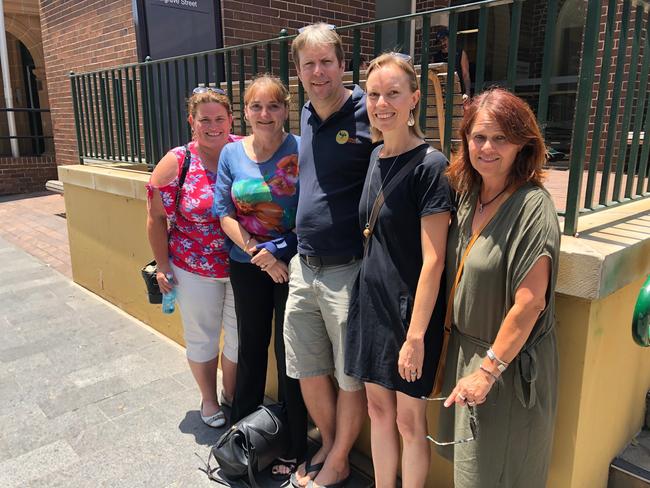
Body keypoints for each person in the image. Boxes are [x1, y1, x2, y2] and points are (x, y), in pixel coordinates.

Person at [438, 87, 560, 487]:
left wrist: (487, 372)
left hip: (502, 367)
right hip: (466, 356)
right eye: (478, 137)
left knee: (494, 475)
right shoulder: (471, 195)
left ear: (522, 144)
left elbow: (529, 304)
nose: (487, 147)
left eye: (500, 138)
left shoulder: (532, 207)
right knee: (470, 471)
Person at [344, 53, 453, 488]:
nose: (381, 103)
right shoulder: (374, 157)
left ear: (413, 99)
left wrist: (416, 337)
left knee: (410, 422)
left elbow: (434, 260)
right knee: (377, 412)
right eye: (373, 94)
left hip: (410, 314)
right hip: (370, 306)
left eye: (392, 93)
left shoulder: (431, 165)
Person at [284, 23, 376, 488]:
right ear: (298, 71)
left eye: (326, 62)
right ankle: (330, 443)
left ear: (343, 64)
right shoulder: (304, 112)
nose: (318, 72)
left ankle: (339, 459)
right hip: (304, 265)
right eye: (308, 64)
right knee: (307, 366)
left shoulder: (368, 110)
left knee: (348, 375)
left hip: (349, 269)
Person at [213, 74, 308, 481]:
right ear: (245, 112)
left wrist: (279, 252)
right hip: (249, 263)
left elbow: (312, 213)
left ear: (286, 109)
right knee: (251, 346)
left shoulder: (302, 151)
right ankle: (245, 437)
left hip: (292, 263)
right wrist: (258, 253)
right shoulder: (231, 154)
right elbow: (224, 212)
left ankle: (293, 441)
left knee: (291, 354)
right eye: (256, 106)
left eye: (273, 106)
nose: (264, 114)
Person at [145, 88, 239, 428]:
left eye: (219, 119)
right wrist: (163, 266)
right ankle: (210, 400)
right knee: (203, 335)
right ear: (192, 122)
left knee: (241, 337)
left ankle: (232, 394)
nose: (213, 126)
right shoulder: (177, 161)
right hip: (194, 267)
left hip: (242, 266)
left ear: (230, 119)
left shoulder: (244, 150)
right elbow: (155, 218)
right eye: (205, 120)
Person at [433, 28, 472, 101]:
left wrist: (467, 93)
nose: (442, 44)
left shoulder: (460, 53)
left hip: (459, 93)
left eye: (444, 40)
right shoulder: (436, 57)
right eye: (439, 42)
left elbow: (465, 75)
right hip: (442, 94)